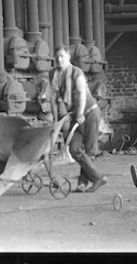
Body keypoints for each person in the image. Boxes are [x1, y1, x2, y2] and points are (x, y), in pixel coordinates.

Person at [50, 45, 108, 193]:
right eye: (57, 57)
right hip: (75, 116)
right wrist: (56, 121)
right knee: (74, 149)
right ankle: (96, 178)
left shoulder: (77, 73)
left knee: (89, 150)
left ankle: (84, 183)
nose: (59, 59)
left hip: (89, 113)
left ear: (69, 57)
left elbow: (82, 94)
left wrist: (81, 113)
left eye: (62, 56)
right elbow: (53, 99)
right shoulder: (54, 74)